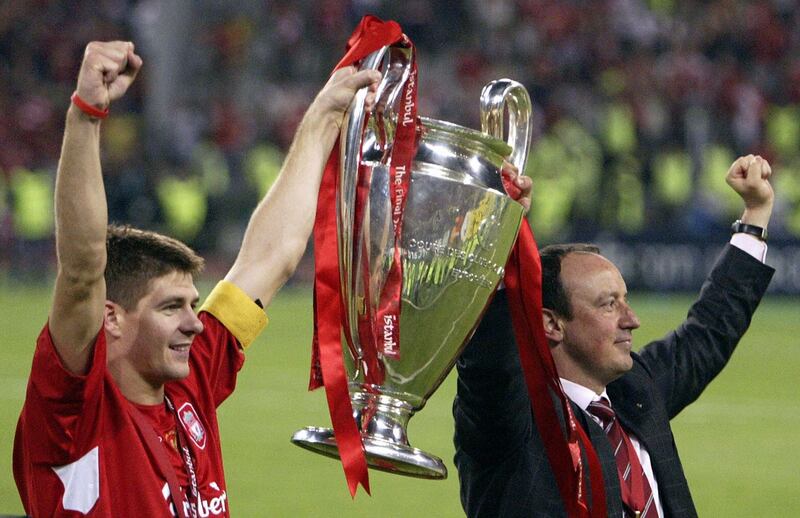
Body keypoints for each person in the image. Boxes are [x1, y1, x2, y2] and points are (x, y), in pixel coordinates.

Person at [12, 40, 381, 517]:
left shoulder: (189, 382)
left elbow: (270, 259)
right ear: (112, 318)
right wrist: (85, 115)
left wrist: (324, 118)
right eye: (171, 307)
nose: (196, 323)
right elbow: (83, 270)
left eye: (192, 303)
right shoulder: (72, 413)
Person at [453, 154, 775, 517]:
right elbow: (489, 364)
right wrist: (500, 237)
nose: (632, 320)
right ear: (552, 324)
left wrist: (755, 215)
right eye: (608, 305)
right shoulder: (513, 423)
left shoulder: (633, 391)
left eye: (626, 301)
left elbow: (708, 332)